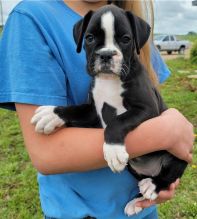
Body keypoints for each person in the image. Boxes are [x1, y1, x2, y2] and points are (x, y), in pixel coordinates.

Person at [0, 0, 194, 218]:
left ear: (136, 43)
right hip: (77, 212)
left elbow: (148, 109)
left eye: (124, 40)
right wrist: (61, 114)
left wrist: (166, 176)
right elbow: (91, 116)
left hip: (141, 207)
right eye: (92, 39)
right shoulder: (32, 18)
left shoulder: (131, 22)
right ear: (81, 38)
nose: (107, 52)